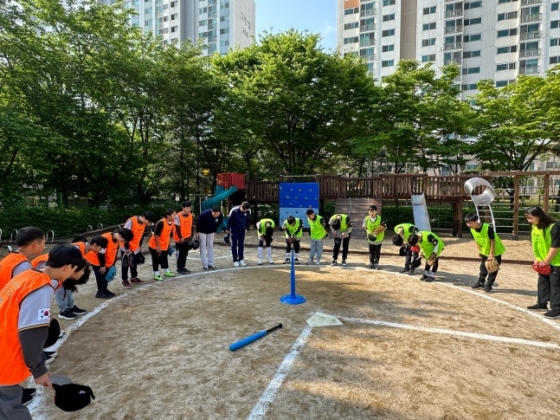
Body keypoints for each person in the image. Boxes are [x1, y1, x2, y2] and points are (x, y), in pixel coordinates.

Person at [0, 244, 85, 420]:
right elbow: (31, 333)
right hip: (4, 362)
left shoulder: (26, 276)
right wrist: (39, 369)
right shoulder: (41, 287)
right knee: (11, 412)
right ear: (67, 267)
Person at [525, 206, 560, 318]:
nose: (529, 221)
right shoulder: (535, 227)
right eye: (527, 218)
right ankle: (542, 303)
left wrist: (546, 261)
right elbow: (536, 245)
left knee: (555, 284)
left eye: (530, 218)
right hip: (542, 261)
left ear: (539, 216)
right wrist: (537, 260)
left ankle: (556, 309)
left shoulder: (554, 227)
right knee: (543, 282)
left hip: (556, 261)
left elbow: (555, 246)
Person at [85, 228, 134, 299]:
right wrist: (102, 265)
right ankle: (100, 292)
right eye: (123, 240)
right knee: (100, 276)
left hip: (106, 261)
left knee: (106, 275)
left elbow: (115, 252)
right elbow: (100, 253)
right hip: (96, 260)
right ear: (119, 236)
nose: (123, 242)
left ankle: (104, 289)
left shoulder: (117, 239)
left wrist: (112, 264)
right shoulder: (106, 238)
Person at [465, 213, 506, 293]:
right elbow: (477, 240)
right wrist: (479, 250)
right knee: (483, 268)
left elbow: (492, 241)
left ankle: (488, 285)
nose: (468, 225)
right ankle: (481, 282)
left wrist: (491, 254)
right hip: (485, 250)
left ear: (476, 221)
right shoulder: (472, 229)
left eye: (470, 222)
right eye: (467, 223)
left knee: (492, 268)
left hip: (495, 250)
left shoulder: (487, 228)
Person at [120, 211, 158, 288]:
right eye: (149, 221)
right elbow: (124, 235)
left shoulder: (144, 224)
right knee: (126, 262)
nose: (149, 223)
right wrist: (127, 248)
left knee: (134, 261)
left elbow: (141, 236)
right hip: (126, 245)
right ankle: (124, 280)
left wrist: (139, 246)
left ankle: (134, 277)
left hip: (135, 246)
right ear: (144, 217)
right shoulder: (131, 221)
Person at [149, 209, 177, 281]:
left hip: (164, 244)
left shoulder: (172, 222)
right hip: (155, 245)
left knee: (164, 258)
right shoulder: (161, 222)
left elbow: (167, 234)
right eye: (174, 214)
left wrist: (169, 243)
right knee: (156, 259)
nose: (175, 216)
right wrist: (158, 246)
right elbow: (156, 235)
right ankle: (156, 274)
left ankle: (166, 271)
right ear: (168, 216)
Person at [196, 205, 223, 270]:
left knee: (210, 245)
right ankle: (205, 264)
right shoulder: (204, 214)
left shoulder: (220, 216)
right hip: (202, 231)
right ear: (212, 211)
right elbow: (198, 223)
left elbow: (218, 224)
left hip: (211, 231)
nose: (216, 215)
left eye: (217, 214)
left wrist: (214, 231)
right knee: (203, 246)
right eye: (214, 213)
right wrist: (197, 231)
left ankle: (211, 263)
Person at [226, 201, 251, 267]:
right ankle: (235, 260)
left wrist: (246, 228)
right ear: (241, 206)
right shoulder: (234, 210)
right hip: (234, 230)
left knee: (241, 244)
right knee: (234, 244)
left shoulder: (248, 211)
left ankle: (241, 259)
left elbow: (248, 220)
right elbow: (229, 220)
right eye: (243, 209)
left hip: (242, 230)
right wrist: (228, 229)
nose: (244, 211)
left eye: (246, 210)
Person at [174, 201, 195, 274]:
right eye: (187, 208)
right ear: (183, 208)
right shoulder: (177, 215)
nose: (189, 209)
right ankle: (179, 268)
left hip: (187, 237)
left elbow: (191, 226)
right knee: (180, 253)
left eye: (189, 208)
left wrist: (191, 235)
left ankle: (183, 267)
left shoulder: (191, 215)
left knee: (185, 253)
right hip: (180, 238)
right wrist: (180, 237)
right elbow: (177, 227)